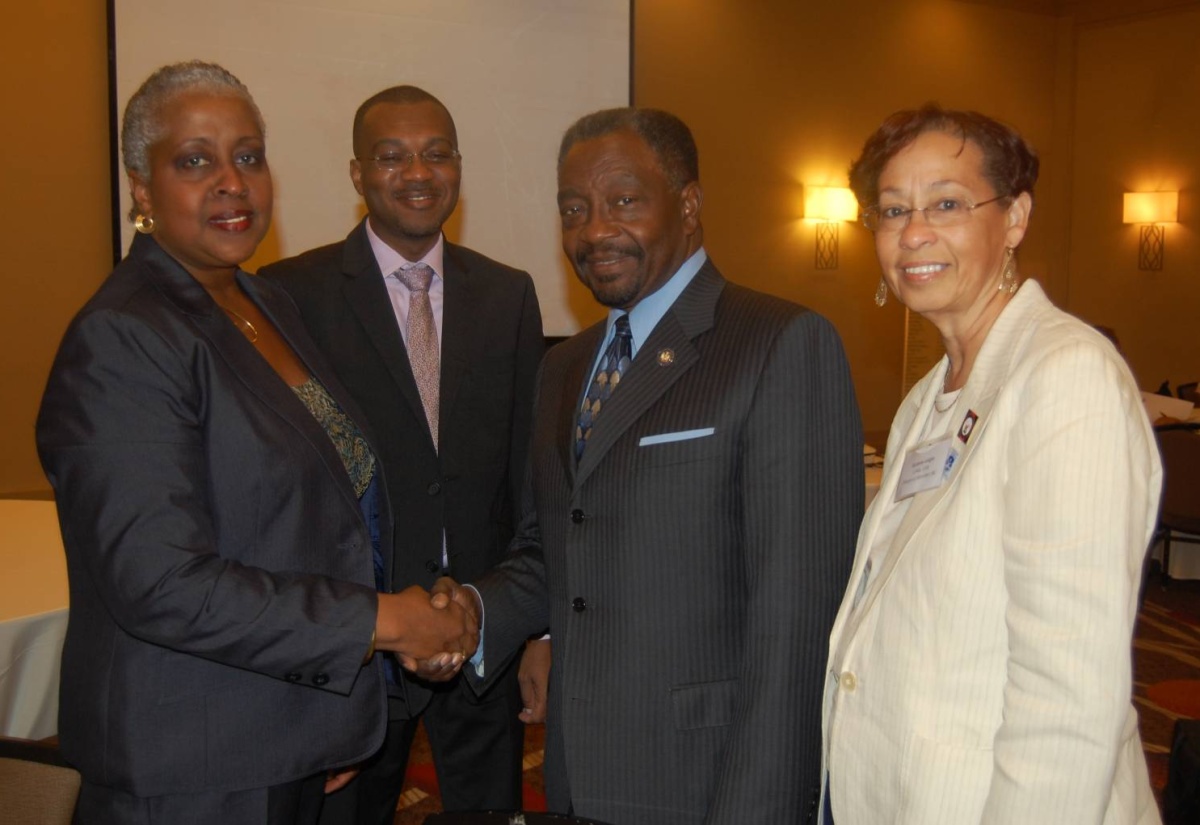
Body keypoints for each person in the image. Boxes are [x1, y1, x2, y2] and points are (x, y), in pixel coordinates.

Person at [35, 61, 475, 825]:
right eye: (195, 160)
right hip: (195, 768)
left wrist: (328, 702)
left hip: (286, 736)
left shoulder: (262, 300)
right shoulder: (125, 335)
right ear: (142, 186)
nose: (232, 182)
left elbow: (309, 521)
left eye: (248, 155)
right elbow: (163, 583)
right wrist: (385, 621)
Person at [436, 107, 864, 824]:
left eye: (623, 200)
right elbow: (554, 547)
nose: (594, 229)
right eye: (574, 209)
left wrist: (760, 807)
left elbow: (799, 620)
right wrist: (471, 615)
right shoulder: (564, 368)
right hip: (578, 770)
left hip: (708, 780)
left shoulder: (778, 343)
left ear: (689, 205)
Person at [820, 105, 1162, 824]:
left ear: (1014, 219)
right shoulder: (927, 398)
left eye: (946, 203)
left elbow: (1068, 696)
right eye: (891, 210)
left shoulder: (1066, 377)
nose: (914, 233)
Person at [259, 85, 543, 821]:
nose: (418, 172)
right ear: (358, 174)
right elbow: (286, 493)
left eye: (436, 153)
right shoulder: (292, 295)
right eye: (392, 156)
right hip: (359, 646)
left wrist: (534, 627)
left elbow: (527, 476)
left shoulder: (508, 294)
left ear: (458, 165)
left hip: (484, 632)